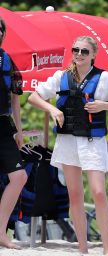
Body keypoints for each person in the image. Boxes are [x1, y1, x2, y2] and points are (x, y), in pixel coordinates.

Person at [28, 36, 108, 255]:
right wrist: (53, 110)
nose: (79, 54)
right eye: (76, 50)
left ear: (94, 54)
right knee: (75, 195)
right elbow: (33, 98)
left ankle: (106, 248)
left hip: (92, 142)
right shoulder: (60, 76)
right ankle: (82, 247)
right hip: (67, 142)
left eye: (84, 51)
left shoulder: (105, 78)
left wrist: (104, 105)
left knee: (98, 192)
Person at [0, 17, 27, 249]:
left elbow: (15, 99)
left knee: (19, 177)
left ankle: (1, 232)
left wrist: (19, 131)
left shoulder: (7, 59)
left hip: (3, 126)